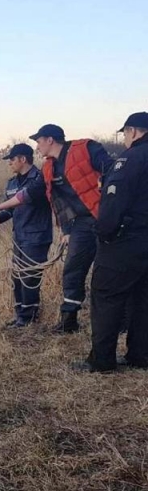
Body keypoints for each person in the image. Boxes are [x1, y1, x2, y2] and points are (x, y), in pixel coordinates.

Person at [0, 124, 114, 332]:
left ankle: (121, 321)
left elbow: (113, 173)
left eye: (39, 141)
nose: (37, 146)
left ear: (50, 140)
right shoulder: (47, 170)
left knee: (110, 271)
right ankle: (66, 321)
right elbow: (56, 202)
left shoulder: (86, 150)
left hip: (103, 218)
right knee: (69, 271)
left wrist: (115, 205)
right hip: (74, 225)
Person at [80, 112, 148, 372]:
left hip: (127, 241)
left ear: (132, 131)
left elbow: (113, 201)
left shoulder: (130, 159)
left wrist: (104, 233)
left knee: (107, 296)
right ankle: (140, 356)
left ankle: (102, 361)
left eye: (125, 134)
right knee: (144, 299)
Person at [0, 143, 53, 327]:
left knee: (29, 276)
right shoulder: (12, 183)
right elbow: (11, 208)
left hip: (36, 236)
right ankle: (21, 314)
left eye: (12, 159)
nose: (9, 163)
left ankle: (29, 317)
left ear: (23, 159)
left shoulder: (40, 179)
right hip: (19, 236)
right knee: (17, 275)